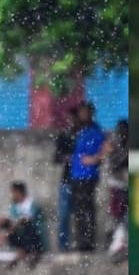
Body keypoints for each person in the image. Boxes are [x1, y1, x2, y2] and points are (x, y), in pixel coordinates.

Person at [68, 101, 105, 252]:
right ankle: (80, 241)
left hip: (88, 175)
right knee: (78, 210)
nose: (82, 115)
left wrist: (94, 159)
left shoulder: (95, 131)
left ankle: (88, 242)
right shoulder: (79, 131)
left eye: (85, 112)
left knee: (87, 209)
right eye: (81, 112)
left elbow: (104, 151)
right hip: (76, 175)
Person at [0, 181, 44, 268]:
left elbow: (25, 220)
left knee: (25, 225)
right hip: (21, 235)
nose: (12, 195)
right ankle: (22, 252)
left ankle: (29, 252)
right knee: (6, 223)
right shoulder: (14, 206)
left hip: (34, 236)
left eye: (13, 192)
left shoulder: (32, 204)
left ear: (18, 192)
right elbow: (11, 220)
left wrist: (6, 234)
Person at [52, 108, 78, 252]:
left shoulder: (83, 136)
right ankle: (64, 246)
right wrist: (67, 158)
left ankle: (78, 244)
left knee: (80, 215)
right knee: (64, 214)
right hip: (67, 180)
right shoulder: (64, 136)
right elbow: (56, 157)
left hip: (82, 180)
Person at [105, 118, 129, 261]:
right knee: (117, 217)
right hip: (117, 185)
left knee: (123, 218)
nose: (122, 134)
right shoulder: (114, 146)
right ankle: (115, 247)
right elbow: (115, 164)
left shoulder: (124, 146)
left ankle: (119, 245)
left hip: (124, 186)